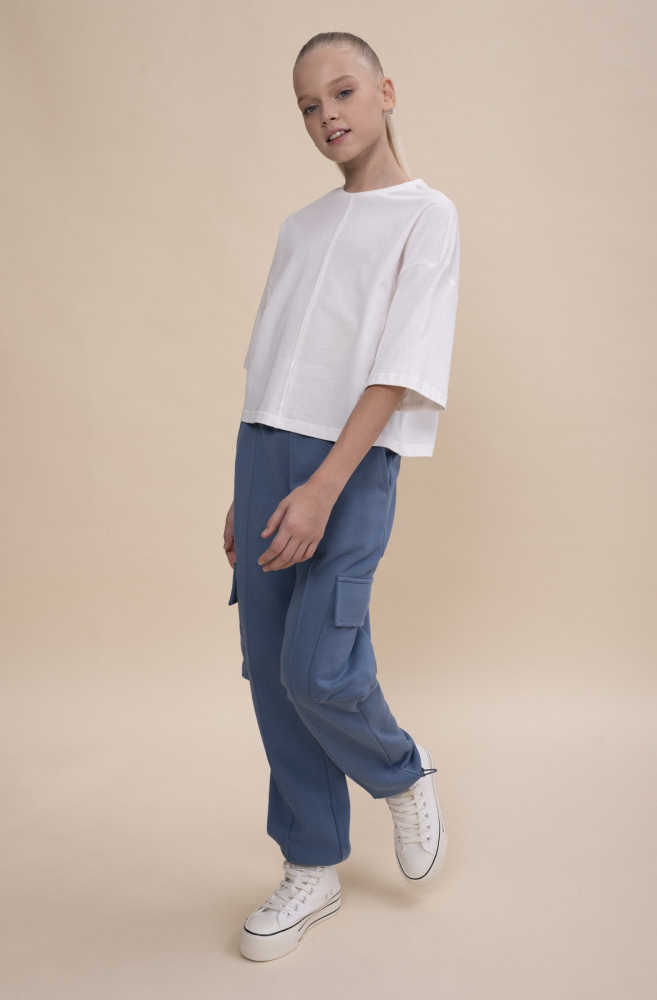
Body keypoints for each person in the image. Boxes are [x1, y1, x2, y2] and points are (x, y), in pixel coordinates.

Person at [223, 31, 460, 962]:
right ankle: (312, 863)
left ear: (386, 92)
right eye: (309, 105)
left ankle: (400, 773)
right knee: (267, 670)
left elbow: (399, 364)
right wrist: (246, 486)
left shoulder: (426, 216)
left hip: (349, 463)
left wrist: (325, 484)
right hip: (263, 448)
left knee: (316, 666)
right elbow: (273, 352)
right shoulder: (302, 226)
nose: (328, 115)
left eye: (344, 92)